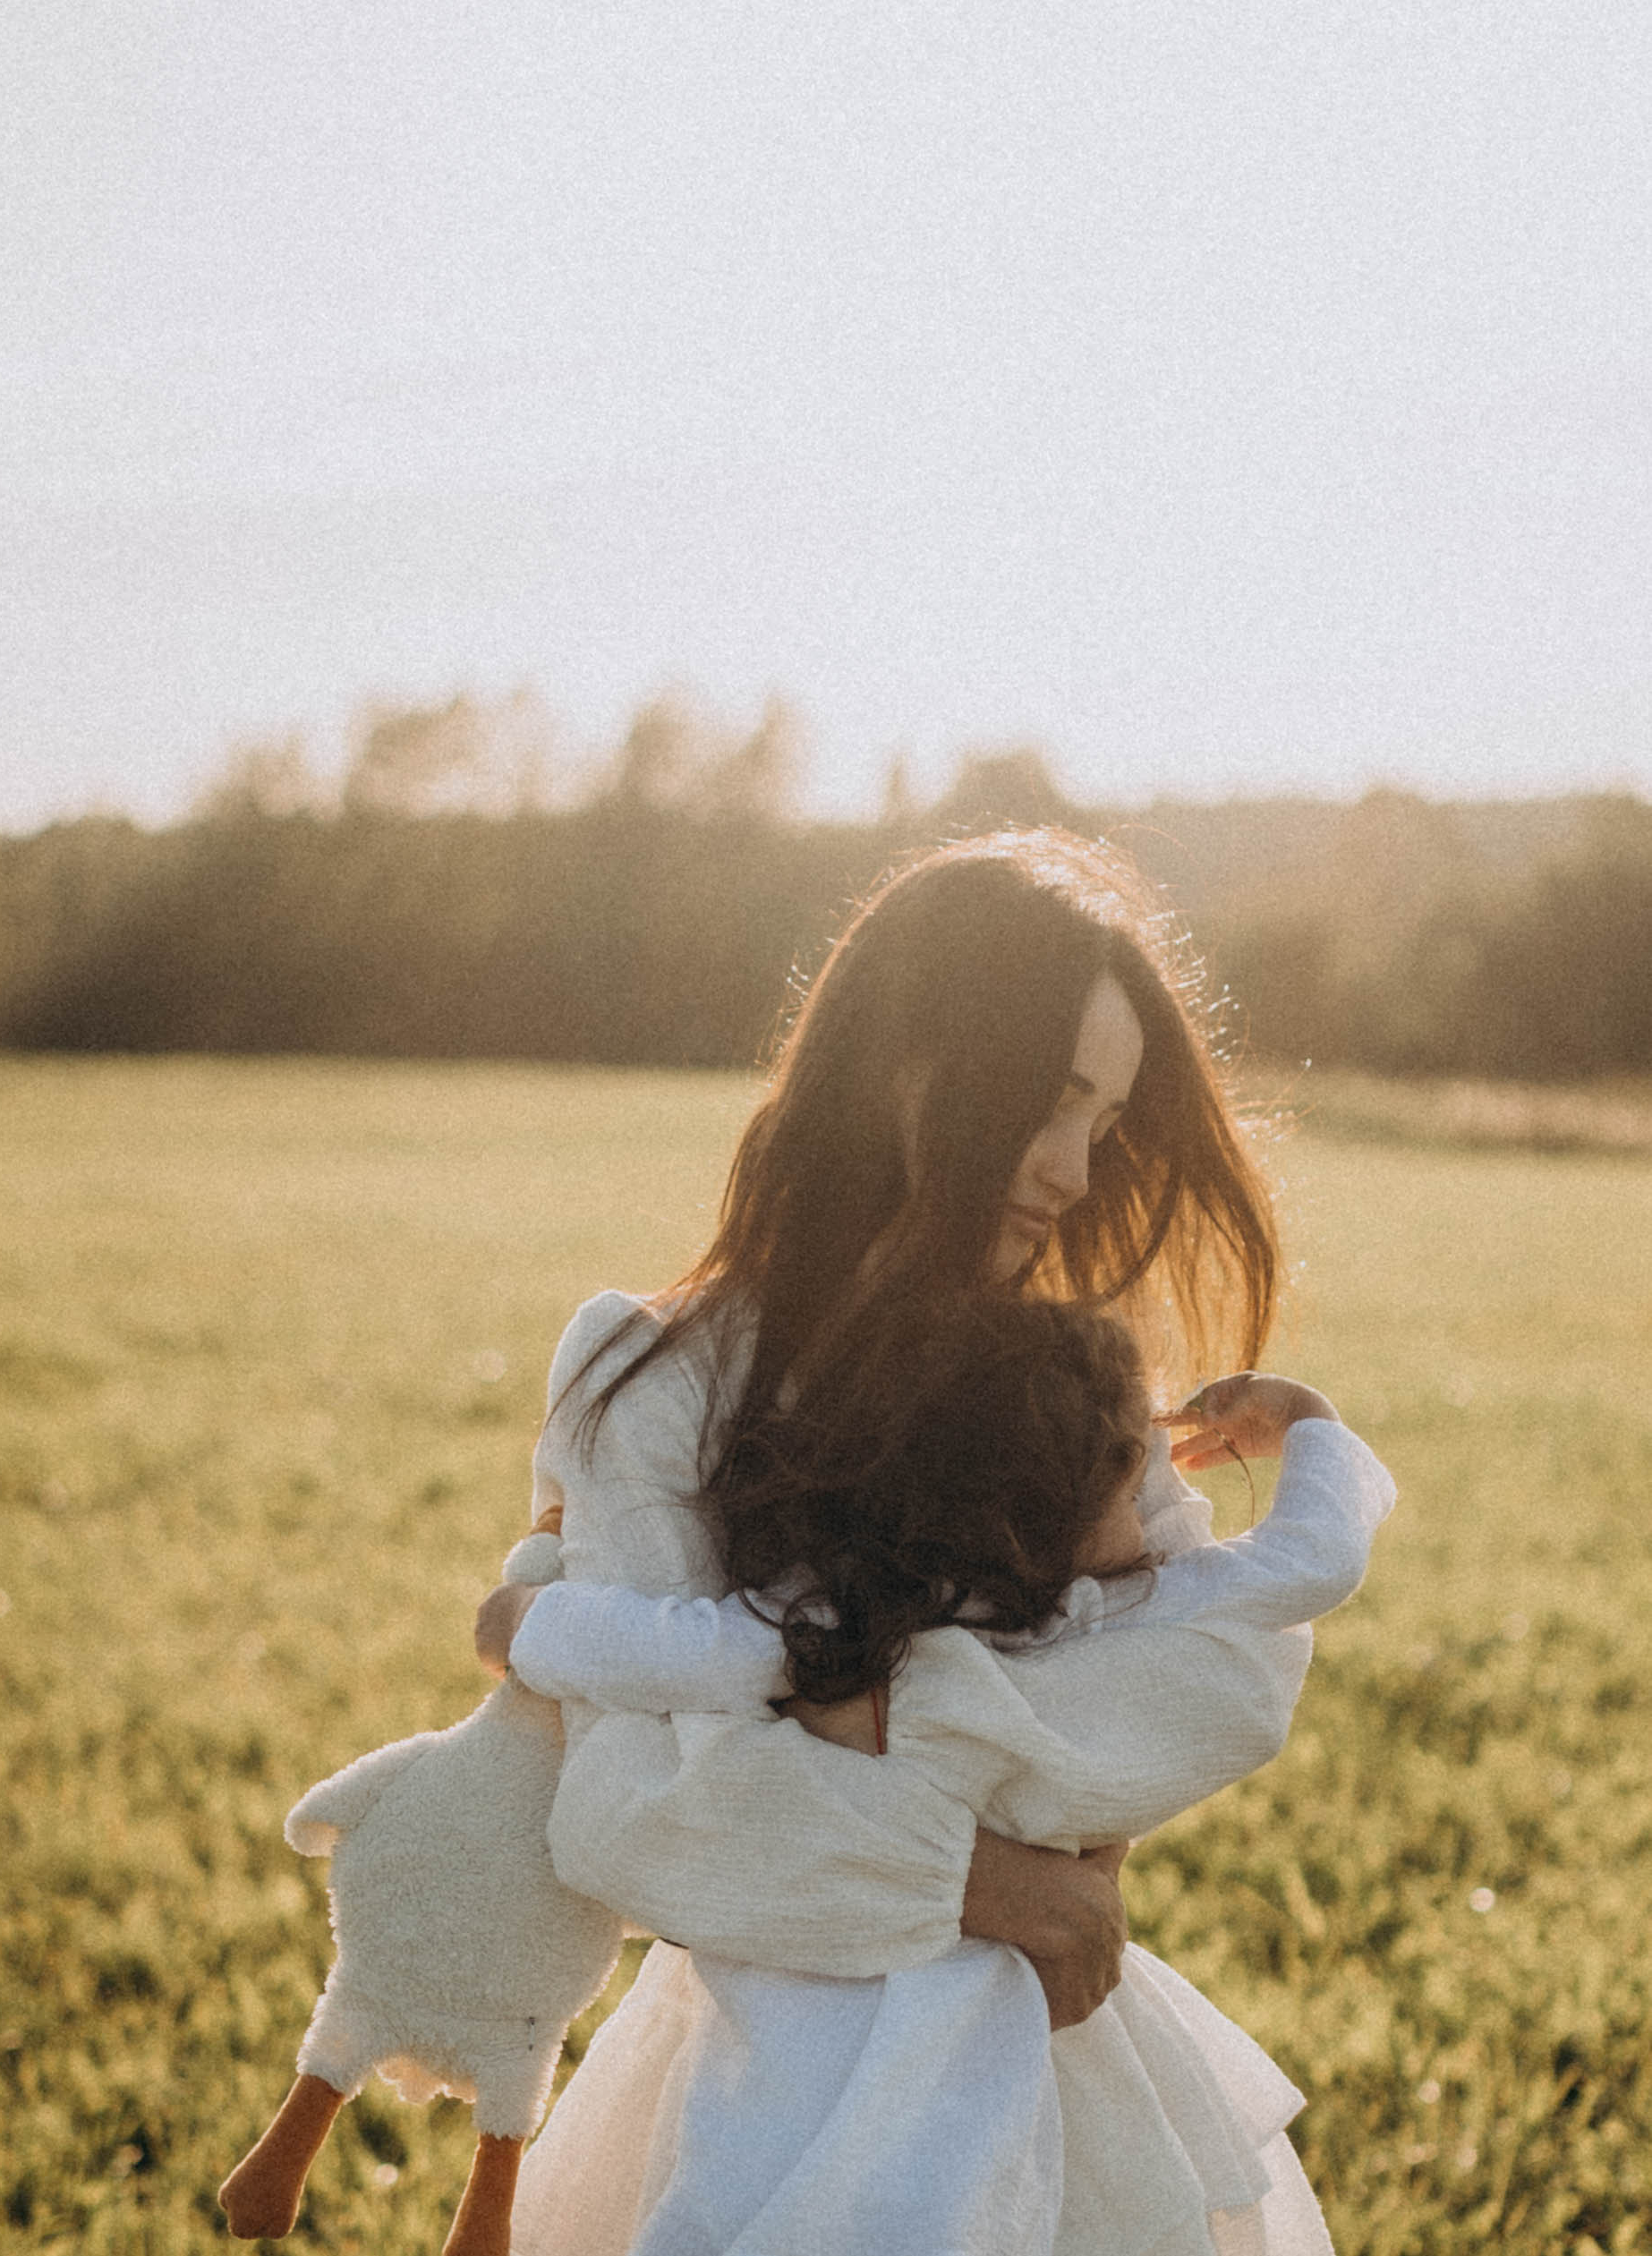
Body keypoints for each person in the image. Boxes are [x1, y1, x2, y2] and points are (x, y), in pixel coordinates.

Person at [480, 832, 1327, 2252]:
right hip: (771, 2088)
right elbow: (631, 1807)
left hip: (1061, 2075)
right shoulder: (656, 1368)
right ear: (908, 1058)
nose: (1071, 1170)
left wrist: (855, 1712)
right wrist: (991, 1877)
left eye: (1105, 1124)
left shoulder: (1062, 1371)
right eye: (1051, 1102)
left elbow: (1222, 1677)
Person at [487, 1308, 1392, 2255]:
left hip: (800, 2001)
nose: (1155, 1528)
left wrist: (533, 1627)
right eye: (1132, 1494)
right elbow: (1312, 1563)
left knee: (754, 2201)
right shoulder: (1135, 1614)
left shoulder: (849, 1627)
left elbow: (692, 1654)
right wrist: (1310, 1423)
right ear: (1056, 1516)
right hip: (1005, 2016)